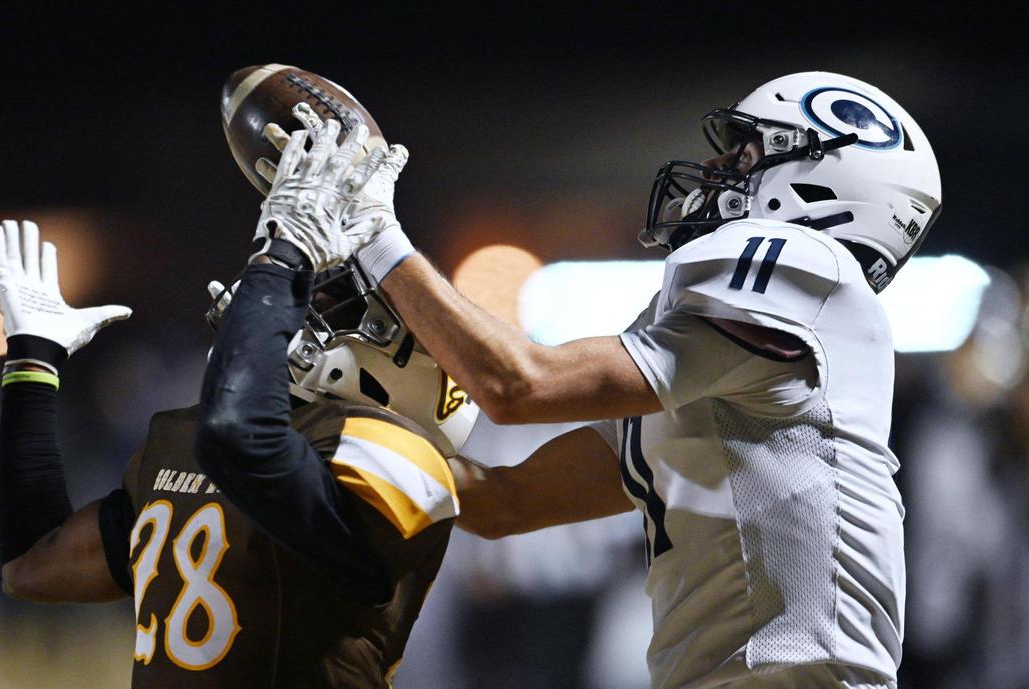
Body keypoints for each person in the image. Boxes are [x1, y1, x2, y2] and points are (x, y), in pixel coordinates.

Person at [273, 72, 941, 688]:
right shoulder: (723, 365)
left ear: (824, 182)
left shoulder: (805, 262)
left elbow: (518, 385)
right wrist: (352, 420)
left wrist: (375, 232)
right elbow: (507, 502)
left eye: (744, 152)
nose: (716, 167)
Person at [0, 116, 479, 687]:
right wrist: (33, 363)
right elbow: (32, 567)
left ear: (403, 377)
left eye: (346, 315)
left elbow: (241, 438)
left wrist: (283, 258)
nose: (313, 314)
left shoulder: (399, 459)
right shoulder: (196, 445)